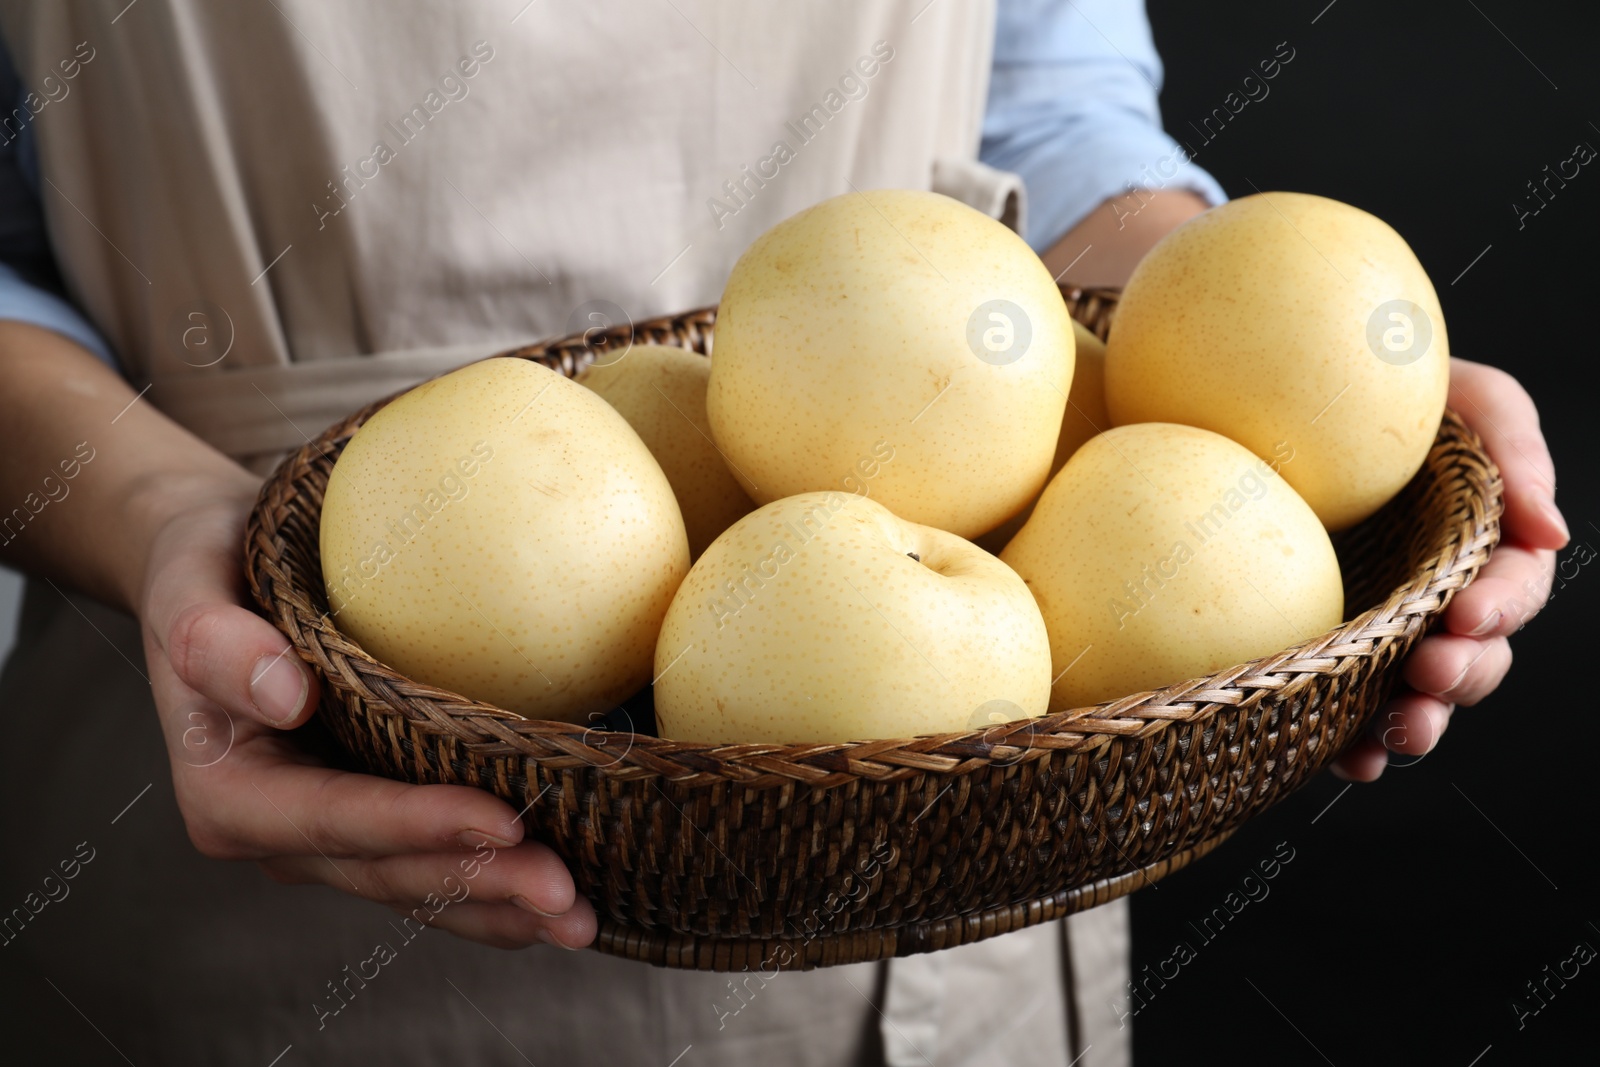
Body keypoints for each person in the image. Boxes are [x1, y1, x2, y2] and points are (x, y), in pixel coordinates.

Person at [0, 1, 1565, 1064]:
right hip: (265, 746)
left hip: (983, 793)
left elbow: (1044, 95)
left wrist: (1224, 335)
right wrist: (161, 523)